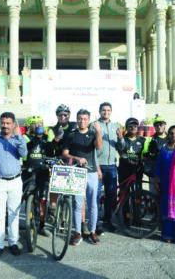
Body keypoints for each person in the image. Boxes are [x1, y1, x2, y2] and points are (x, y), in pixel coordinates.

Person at [0, 112, 28, 259]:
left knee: (14, 213)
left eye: (8, 123)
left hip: (15, 181)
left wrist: (19, 136)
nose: (5, 125)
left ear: (14, 124)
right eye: (3, 122)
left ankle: (13, 242)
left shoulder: (18, 139)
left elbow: (24, 153)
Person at [62, 109, 102, 246]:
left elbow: (99, 146)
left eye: (85, 119)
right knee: (77, 204)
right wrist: (77, 158)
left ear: (89, 120)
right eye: (80, 118)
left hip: (91, 172)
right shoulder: (72, 135)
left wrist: (98, 131)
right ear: (77, 119)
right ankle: (77, 232)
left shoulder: (92, 133)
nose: (82, 121)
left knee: (92, 204)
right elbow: (65, 154)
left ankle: (92, 231)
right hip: (77, 173)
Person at [22, 115, 54, 237]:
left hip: (43, 171)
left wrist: (54, 139)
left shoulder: (46, 137)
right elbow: (27, 148)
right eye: (35, 124)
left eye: (40, 123)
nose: (38, 126)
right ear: (30, 126)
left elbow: (50, 150)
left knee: (42, 198)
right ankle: (29, 222)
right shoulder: (25, 137)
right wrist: (36, 137)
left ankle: (42, 225)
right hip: (28, 171)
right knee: (27, 197)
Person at [47, 104, 78, 224]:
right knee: (55, 185)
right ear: (57, 116)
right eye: (61, 114)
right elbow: (49, 149)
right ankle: (53, 210)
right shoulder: (52, 129)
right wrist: (56, 138)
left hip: (72, 159)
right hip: (58, 159)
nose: (63, 116)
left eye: (66, 114)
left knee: (74, 190)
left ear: (69, 115)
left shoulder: (75, 126)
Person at [94, 102, 119, 234]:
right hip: (98, 165)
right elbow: (91, 148)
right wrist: (96, 165)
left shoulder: (116, 127)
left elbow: (120, 147)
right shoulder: (95, 126)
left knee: (110, 196)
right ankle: (96, 223)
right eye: (104, 110)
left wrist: (121, 138)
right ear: (99, 111)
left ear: (111, 112)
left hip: (112, 167)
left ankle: (107, 221)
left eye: (108, 110)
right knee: (96, 196)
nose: (106, 112)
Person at [147, 115, 167, 191]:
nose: (159, 127)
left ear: (165, 125)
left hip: (168, 170)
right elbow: (146, 154)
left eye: (161, 124)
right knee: (153, 192)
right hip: (155, 170)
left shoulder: (170, 137)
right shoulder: (151, 139)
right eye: (156, 125)